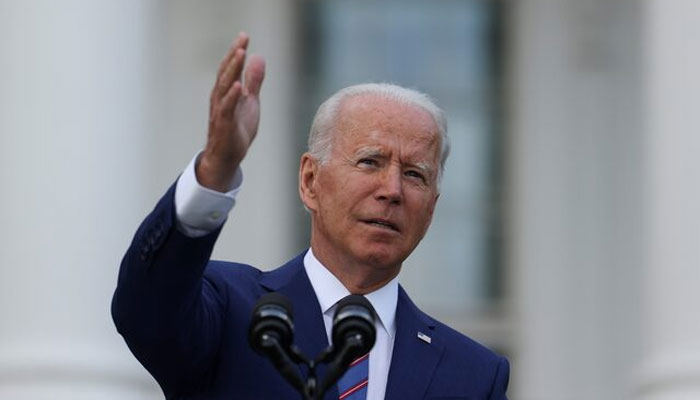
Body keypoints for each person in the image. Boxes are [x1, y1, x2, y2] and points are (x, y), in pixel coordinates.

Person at [112, 32, 509, 400]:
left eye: (414, 174)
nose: (392, 190)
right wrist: (215, 170)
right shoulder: (229, 310)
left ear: (432, 208)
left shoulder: (474, 375)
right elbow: (146, 310)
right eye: (370, 162)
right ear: (310, 180)